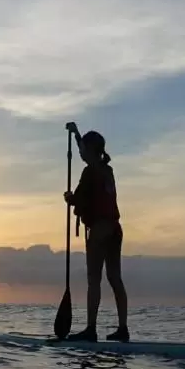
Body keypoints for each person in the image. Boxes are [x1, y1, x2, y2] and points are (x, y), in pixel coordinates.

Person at [63, 122, 129, 342]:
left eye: (83, 149)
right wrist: (76, 133)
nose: (80, 152)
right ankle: (123, 328)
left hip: (99, 230)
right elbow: (85, 146)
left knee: (94, 279)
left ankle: (91, 329)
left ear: (90, 151)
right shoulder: (107, 169)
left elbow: (79, 199)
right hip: (115, 229)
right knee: (115, 278)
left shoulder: (90, 172)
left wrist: (69, 198)